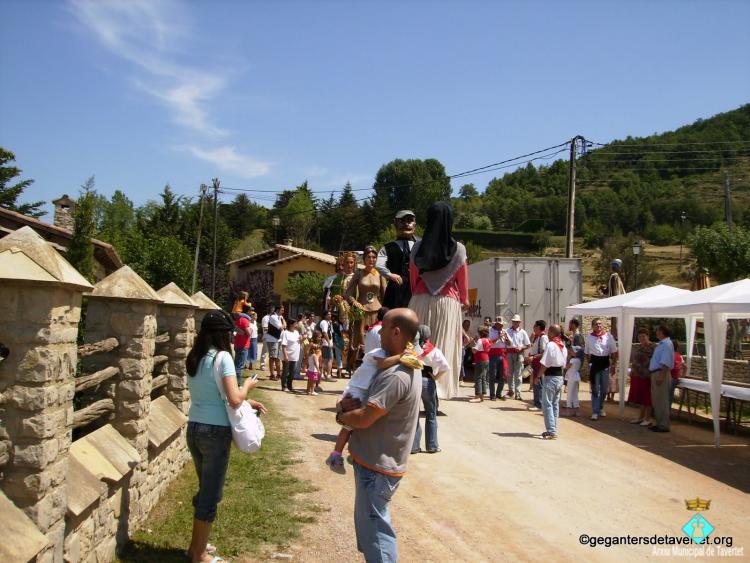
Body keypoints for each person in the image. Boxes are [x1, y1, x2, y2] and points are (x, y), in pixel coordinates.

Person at [336, 309, 423, 562]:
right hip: (375, 464)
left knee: (377, 535)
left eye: (383, 327)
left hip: (377, 469)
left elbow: (364, 419)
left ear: (396, 332)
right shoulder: (403, 363)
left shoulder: (396, 374)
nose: (378, 331)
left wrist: (341, 414)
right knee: (371, 530)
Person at [185, 310, 267, 563]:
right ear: (224, 334)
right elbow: (233, 398)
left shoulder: (195, 357)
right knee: (210, 494)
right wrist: (247, 388)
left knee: (206, 489)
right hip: (215, 432)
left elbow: (214, 393)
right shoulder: (223, 358)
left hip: (195, 427)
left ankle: (196, 545)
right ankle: (199, 555)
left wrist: (246, 400)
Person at [325, 334, 422, 473]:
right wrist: (401, 356)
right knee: (349, 426)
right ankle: (335, 455)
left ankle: (353, 454)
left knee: (359, 425)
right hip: (355, 392)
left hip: (363, 392)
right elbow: (382, 363)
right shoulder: (378, 353)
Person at [408, 201, 468, 400]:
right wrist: (465, 299)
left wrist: (418, 292)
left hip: (419, 299)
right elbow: (462, 281)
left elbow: (413, 278)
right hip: (447, 302)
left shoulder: (417, 248)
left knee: (416, 344)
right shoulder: (458, 249)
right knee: (443, 346)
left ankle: (412, 386)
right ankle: (437, 391)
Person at [411, 324, 450, 454]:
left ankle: (414, 447)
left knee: (414, 414)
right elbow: (445, 366)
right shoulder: (434, 350)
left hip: (414, 380)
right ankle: (432, 446)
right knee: (431, 413)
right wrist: (435, 377)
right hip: (428, 381)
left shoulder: (412, 349)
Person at [345, 245, 387, 365]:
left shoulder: (380, 274)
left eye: (374, 257)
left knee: (377, 338)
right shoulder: (359, 273)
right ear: (364, 259)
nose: (371, 259)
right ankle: (354, 365)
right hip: (361, 311)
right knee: (359, 339)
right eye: (368, 257)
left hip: (376, 311)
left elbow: (385, 294)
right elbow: (348, 293)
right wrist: (354, 302)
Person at [376, 210, 419, 309]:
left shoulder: (420, 245)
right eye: (402, 221)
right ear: (395, 224)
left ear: (415, 224)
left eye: (410, 220)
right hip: (395, 292)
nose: (406, 224)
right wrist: (390, 275)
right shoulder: (387, 248)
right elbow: (379, 265)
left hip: (415, 291)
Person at [584, 318, 618, 421]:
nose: (599, 326)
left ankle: (601, 406)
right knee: (595, 389)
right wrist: (589, 363)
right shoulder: (589, 337)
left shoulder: (608, 336)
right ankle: (595, 411)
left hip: (605, 364)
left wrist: (614, 365)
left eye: (600, 324)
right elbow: (586, 352)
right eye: (596, 324)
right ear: (592, 326)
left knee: (604, 389)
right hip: (595, 364)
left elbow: (614, 352)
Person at [539, 324, 568, 439]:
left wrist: (538, 376)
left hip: (551, 376)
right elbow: (564, 364)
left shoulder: (551, 345)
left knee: (547, 404)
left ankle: (551, 430)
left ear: (551, 332)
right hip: (559, 376)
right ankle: (553, 428)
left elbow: (545, 363)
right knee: (555, 404)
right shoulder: (562, 345)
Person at [649, 325, 675, 433]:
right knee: (657, 400)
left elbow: (665, 362)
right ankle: (659, 423)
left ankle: (663, 424)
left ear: (662, 332)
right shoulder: (662, 344)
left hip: (660, 373)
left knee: (662, 399)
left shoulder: (667, 345)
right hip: (656, 372)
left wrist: (661, 376)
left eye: (658, 331)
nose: (656, 333)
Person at [628, 328, 655, 426]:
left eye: (643, 336)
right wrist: (632, 371)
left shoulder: (653, 347)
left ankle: (648, 418)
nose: (642, 338)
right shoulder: (639, 348)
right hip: (637, 375)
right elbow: (634, 361)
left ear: (648, 336)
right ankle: (641, 417)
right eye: (640, 336)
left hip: (647, 375)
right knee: (641, 398)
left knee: (647, 397)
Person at [505, 314, 531, 400]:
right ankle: (511, 391)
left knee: (518, 373)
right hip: (509, 353)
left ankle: (518, 393)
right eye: (514, 321)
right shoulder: (507, 331)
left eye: (516, 322)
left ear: (519, 322)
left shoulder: (523, 332)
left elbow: (528, 345)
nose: (515, 323)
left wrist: (521, 347)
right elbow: (505, 342)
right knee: (510, 373)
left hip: (519, 353)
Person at [528, 320, 549, 411]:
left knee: (538, 383)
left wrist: (534, 357)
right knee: (536, 383)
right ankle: (537, 403)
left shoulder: (543, 338)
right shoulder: (537, 337)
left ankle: (539, 404)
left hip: (539, 363)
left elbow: (544, 352)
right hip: (535, 363)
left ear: (539, 327)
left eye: (535, 326)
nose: (533, 327)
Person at [488, 316, 511, 401]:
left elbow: (510, 343)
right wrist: (498, 337)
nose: (501, 327)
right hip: (493, 355)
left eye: (502, 325)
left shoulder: (504, 331)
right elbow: (489, 342)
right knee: (492, 376)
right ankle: (492, 395)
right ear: (496, 324)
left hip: (503, 355)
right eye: (500, 325)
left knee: (503, 376)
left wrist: (507, 340)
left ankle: (498, 393)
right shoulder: (490, 331)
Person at [280, 318, 302, 392]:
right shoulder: (285, 333)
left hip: (294, 356)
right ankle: (284, 386)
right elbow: (283, 345)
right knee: (285, 372)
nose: (296, 325)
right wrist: (285, 356)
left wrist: (302, 339)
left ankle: (290, 386)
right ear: (291, 324)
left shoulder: (296, 332)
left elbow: (300, 342)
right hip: (287, 356)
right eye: (295, 324)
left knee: (293, 372)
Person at [470, 327, 492, 402]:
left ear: (480, 333)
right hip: (486, 359)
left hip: (480, 359)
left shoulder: (480, 340)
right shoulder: (487, 340)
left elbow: (475, 351)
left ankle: (477, 396)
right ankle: (482, 395)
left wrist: (472, 346)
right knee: (483, 377)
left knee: (478, 377)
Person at [232, 304, 252, 385]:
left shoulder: (240, 318)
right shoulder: (244, 320)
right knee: (239, 366)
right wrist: (251, 329)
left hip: (239, 344)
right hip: (243, 345)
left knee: (237, 364)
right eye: (251, 310)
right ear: (247, 311)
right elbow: (248, 333)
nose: (252, 312)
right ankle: (237, 384)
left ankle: (235, 383)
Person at [265, 305, 285, 381]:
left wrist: (283, 323)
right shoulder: (273, 317)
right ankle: (272, 374)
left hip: (278, 339)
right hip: (273, 339)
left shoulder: (280, 317)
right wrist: (283, 323)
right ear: (277, 310)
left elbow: (284, 326)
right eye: (282, 310)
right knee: (273, 357)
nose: (283, 311)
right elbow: (281, 327)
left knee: (278, 358)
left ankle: (279, 374)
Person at [319, 310, 335, 381]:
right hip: (326, 343)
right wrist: (329, 342)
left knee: (325, 359)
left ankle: (323, 374)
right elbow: (324, 333)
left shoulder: (328, 322)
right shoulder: (324, 322)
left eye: (330, 314)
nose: (330, 315)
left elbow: (330, 333)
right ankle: (328, 375)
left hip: (327, 343)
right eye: (328, 314)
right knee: (329, 359)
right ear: (325, 315)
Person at [259, 306, 272, 371]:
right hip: (267, 337)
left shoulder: (272, 318)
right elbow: (265, 328)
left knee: (272, 352)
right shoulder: (265, 318)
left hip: (272, 337)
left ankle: (271, 365)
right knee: (265, 352)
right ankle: (262, 365)